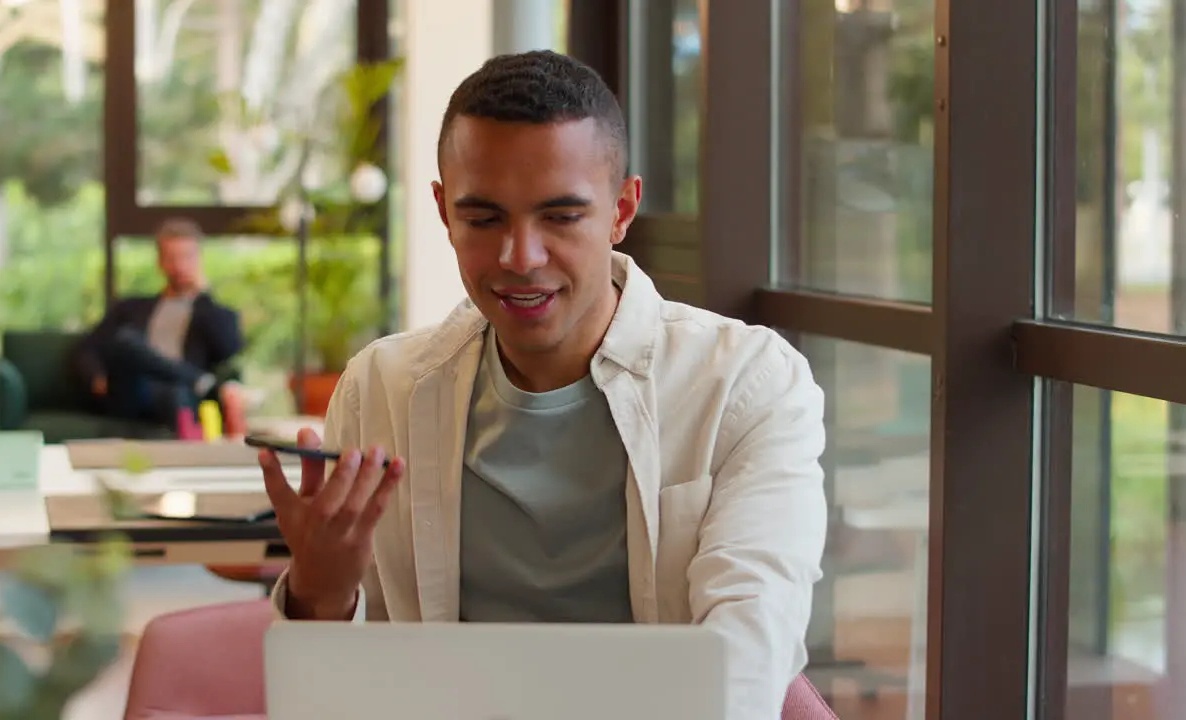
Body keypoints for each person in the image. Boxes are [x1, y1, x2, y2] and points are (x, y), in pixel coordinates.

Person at [257, 51, 827, 718]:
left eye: (560, 216)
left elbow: (748, 655)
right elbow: (344, 693)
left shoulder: (746, 383)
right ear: (444, 211)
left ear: (621, 211)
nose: (519, 258)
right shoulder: (380, 388)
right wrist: (318, 595)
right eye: (484, 218)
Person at [72, 218, 248, 437]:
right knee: (127, 339)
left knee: (175, 394)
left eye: (187, 256)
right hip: (135, 390)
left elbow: (230, 349)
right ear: (160, 262)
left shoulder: (213, 312)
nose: (180, 265)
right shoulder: (131, 307)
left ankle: (191, 389)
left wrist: (204, 296)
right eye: (172, 257)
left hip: (179, 392)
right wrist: (96, 376)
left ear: (199, 259)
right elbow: (88, 347)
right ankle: (198, 380)